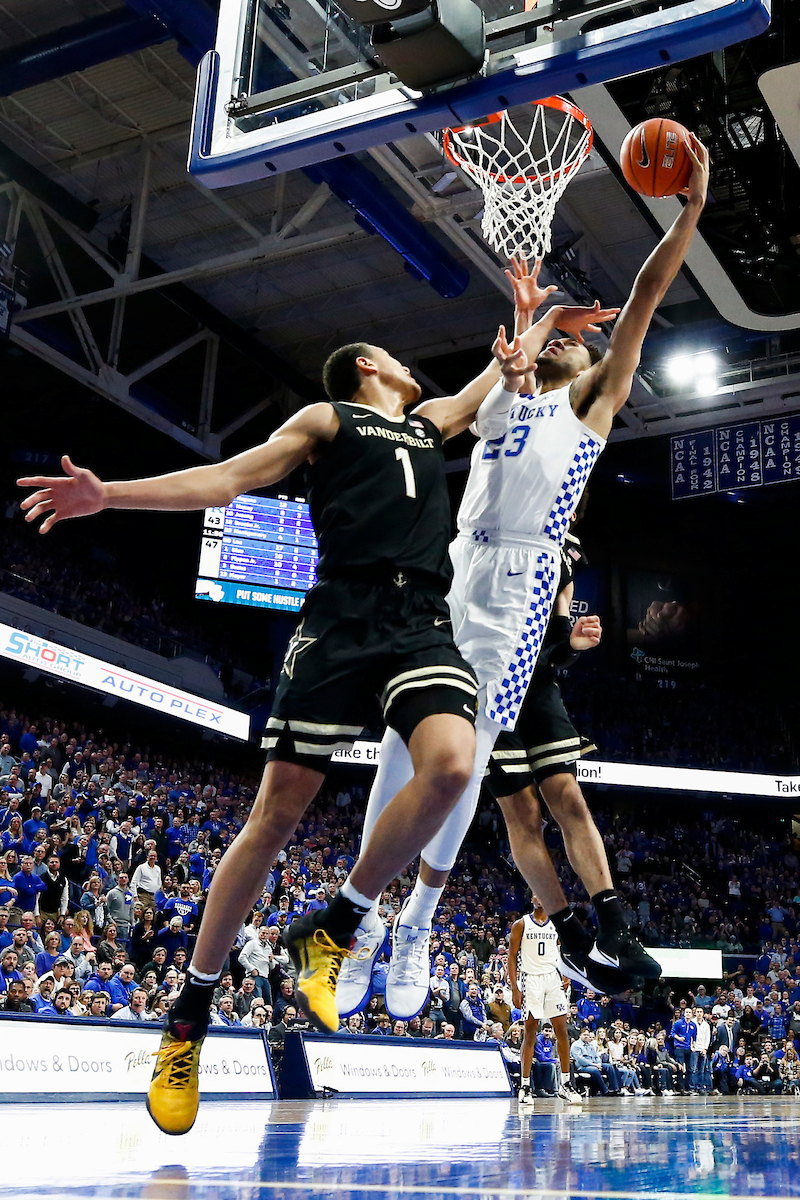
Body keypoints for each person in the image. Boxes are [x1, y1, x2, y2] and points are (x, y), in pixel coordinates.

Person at [20, 322, 547, 1134]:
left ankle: (335, 926)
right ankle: (188, 1016)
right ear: (368, 368)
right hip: (342, 616)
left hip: (420, 622)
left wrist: (538, 322)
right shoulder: (327, 419)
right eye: (396, 356)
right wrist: (109, 494)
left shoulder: (427, 421)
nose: (411, 365)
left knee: (451, 765)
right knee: (274, 818)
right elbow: (228, 480)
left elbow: (490, 384)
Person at [337, 135, 710, 1021]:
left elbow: (648, 297)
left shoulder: (591, 401)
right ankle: (359, 924)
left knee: (456, 768)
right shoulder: (512, 378)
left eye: (569, 349)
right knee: (399, 746)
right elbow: (448, 419)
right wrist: (527, 322)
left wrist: (688, 213)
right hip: (449, 563)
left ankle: (419, 915)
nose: (558, 352)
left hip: (517, 585)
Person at [508, 896, 581, 1106]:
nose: (540, 898)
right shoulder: (521, 924)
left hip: (553, 979)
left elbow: (564, 950)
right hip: (531, 980)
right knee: (530, 1032)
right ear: (531, 898)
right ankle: (525, 1086)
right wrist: (515, 987)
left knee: (562, 1031)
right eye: (536, 894)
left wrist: (567, 973)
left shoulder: (556, 924)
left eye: (543, 894)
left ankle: (566, 1084)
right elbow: (512, 956)